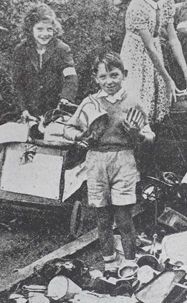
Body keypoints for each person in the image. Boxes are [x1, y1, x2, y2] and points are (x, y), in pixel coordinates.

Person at [64, 52, 155, 275]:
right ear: (96, 79)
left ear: (124, 75)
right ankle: (109, 263)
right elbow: (67, 128)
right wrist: (81, 136)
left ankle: (130, 263)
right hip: (95, 160)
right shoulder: (90, 102)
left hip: (123, 158)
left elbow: (150, 135)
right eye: (103, 77)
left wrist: (138, 134)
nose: (109, 81)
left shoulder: (133, 101)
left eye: (114, 75)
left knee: (124, 216)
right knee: (102, 217)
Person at [12, 4, 78, 120]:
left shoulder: (62, 49)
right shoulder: (21, 50)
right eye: (39, 29)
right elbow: (17, 83)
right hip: (28, 110)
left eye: (49, 29)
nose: (45, 34)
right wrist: (23, 109)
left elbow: (71, 77)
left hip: (55, 109)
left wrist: (65, 100)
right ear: (30, 28)